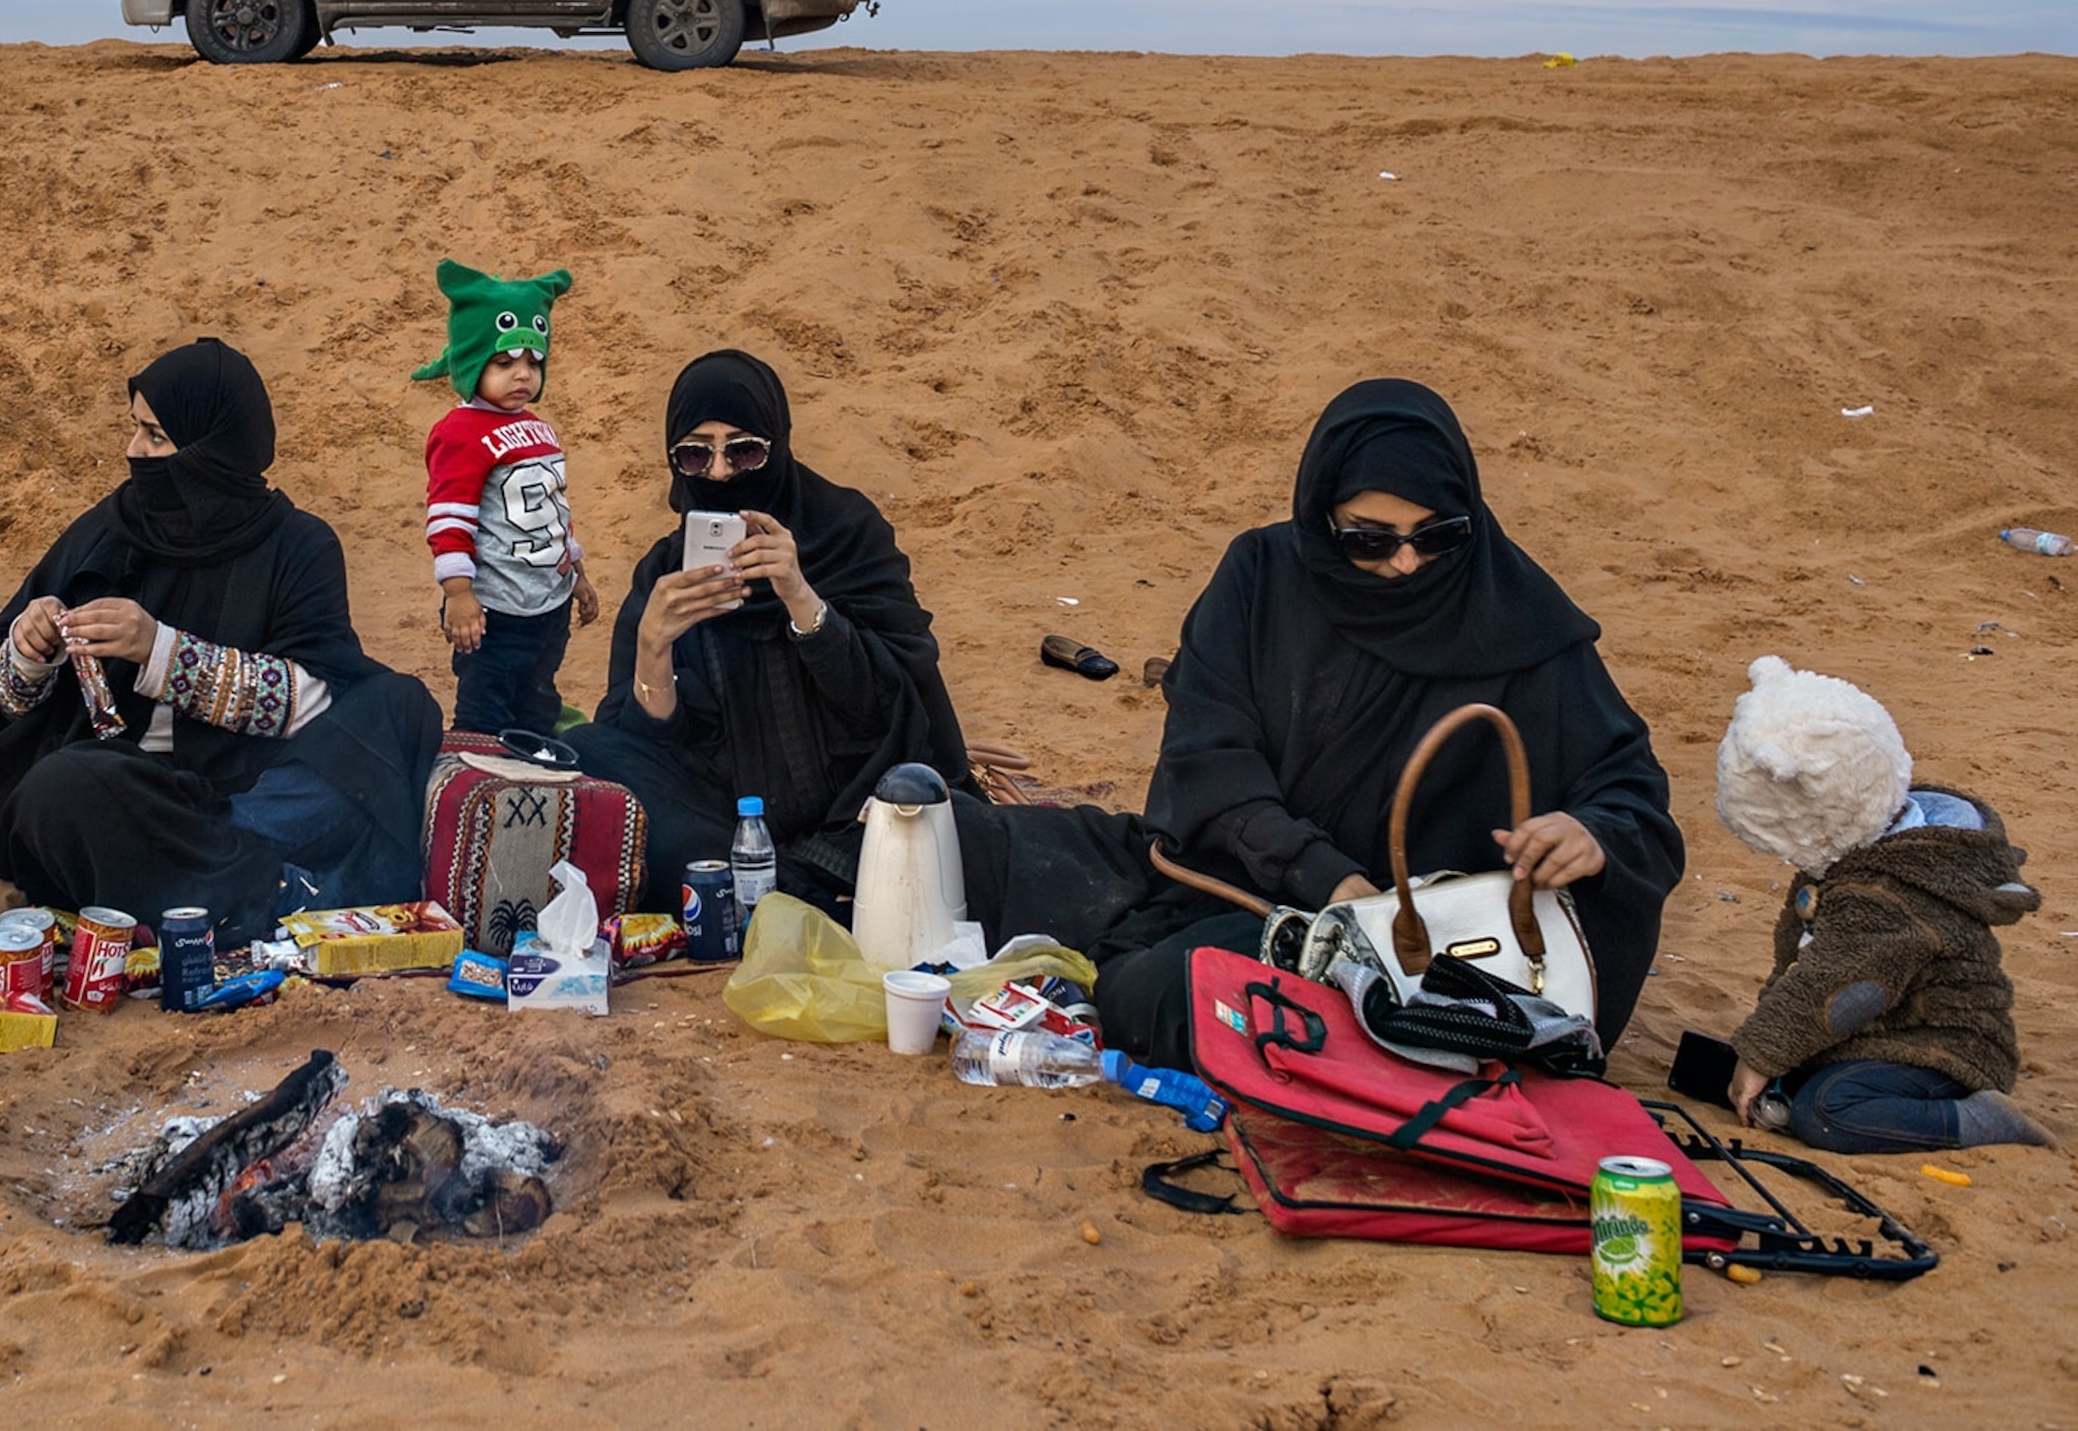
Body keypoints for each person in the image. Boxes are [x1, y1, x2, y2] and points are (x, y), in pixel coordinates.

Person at [1082, 378, 1685, 1068]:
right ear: (1322, 517)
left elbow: (1632, 793)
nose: (1405, 561)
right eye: (1370, 539)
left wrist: (1591, 833)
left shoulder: (1523, 618)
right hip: (1277, 908)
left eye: (1438, 535)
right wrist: (1335, 888)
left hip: (1453, 958)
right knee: (1152, 990)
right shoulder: (1260, 580)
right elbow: (1212, 766)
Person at [0, 338, 443, 934]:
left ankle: (226, 885)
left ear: (213, 448)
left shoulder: (298, 545)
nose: (134, 452)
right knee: (60, 789)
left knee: (398, 707)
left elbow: (314, 699)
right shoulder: (109, 530)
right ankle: (274, 891)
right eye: (136, 430)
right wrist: (29, 656)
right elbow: (4, 708)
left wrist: (161, 653)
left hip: (254, 796)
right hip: (135, 795)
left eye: (155, 437)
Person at [566, 349, 978, 910]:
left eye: (744, 451)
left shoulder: (846, 534)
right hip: (733, 820)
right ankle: (784, 890)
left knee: (955, 836)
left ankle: (774, 893)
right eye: (695, 454)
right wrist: (653, 648)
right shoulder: (668, 571)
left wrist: (800, 597)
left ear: (777, 445)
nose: (719, 472)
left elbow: (894, 701)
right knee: (583, 753)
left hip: (852, 809)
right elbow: (645, 747)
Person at [1713, 655, 2052, 1151]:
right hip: (1870, 1037)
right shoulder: (1850, 854)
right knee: (1757, 1072)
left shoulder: (1890, 893)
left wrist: (1763, 1053)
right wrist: (1767, 1049)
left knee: (1828, 1113)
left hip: (1940, 1049)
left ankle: (1980, 1119)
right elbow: (1802, 968)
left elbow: (1840, 985)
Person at [415, 260, 601, 736]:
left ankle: (533, 766)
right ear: (474, 360)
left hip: (548, 600)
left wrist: (576, 573)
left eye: (533, 362)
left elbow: (555, 510)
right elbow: (448, 517)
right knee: (486, 708)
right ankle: (480, 781)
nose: (522, 375)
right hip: (494, 610)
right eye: (505, 362)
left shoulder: (538, 427)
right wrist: (458, 593)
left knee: (538, 699)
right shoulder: (458, 433)